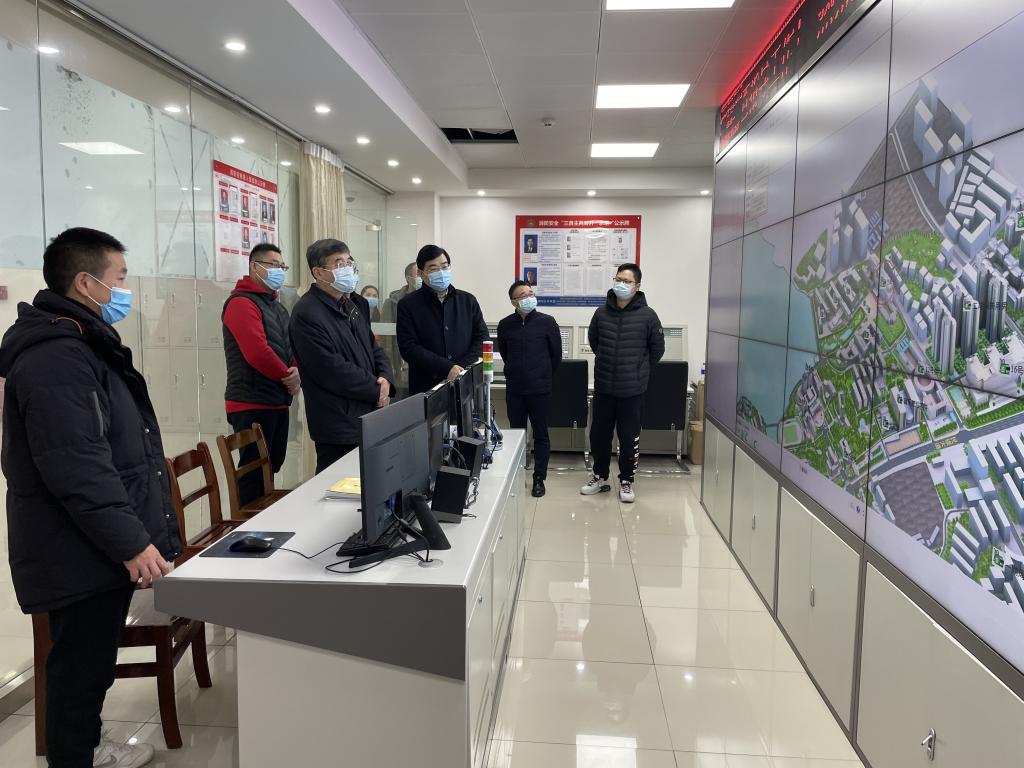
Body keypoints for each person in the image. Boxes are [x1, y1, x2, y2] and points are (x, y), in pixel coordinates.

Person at [0, 227, 181, 768]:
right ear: (85, 282)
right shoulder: (57, 358)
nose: (126, 289)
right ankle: (74, 757)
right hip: (75, 546)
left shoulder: (82, 343)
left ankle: (88, 748)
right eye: (119, 278)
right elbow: (76, 466)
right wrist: (132, 543)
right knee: (79, 671)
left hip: (91, 540)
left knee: (91, 665)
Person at [289, 239, 394, 474]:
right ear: (318, 272)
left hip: (366, 414)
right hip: (337, 423)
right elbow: (331, 369)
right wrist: (376, 389)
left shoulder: (350, 305)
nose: (347, 269)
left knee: (368, 482)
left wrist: (385, 378)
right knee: (336, 485)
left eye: (349, 262)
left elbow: (373, 348)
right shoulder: (307, 313)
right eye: (339, 264)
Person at [221, 243, 299, 506]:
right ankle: (247, 524)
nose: (280, 271)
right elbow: (257, 352)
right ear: (255, 267)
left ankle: (265, 519)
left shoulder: (276, 306)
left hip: (276, 400)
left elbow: (289, 346)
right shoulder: (241, 303)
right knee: (253, 471)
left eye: (282, 266)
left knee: (271, 466)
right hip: (251, 401)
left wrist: (296, 371)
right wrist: (287, 377)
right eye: (274, 265)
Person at [580, 263, 664, 503]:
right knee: (599, 436)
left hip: (632, 390)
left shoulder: (648, 316)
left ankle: (627, 480)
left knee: (629, 438)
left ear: (637, 286)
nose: (621, 284)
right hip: (604, 387)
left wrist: (638, 370)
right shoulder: (601, 313)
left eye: (627, 281)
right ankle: (599, 476)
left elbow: (657, 350)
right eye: (618, 279)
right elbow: (594, 342)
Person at [497, 281, 561, 498]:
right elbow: (505, 354)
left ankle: (539, 478)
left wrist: (542, 374)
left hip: (540, 389)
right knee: (516, 434)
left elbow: (556, 356)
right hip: (515, 389)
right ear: (513, 301)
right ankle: (517, 475)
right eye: (523, 295)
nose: (529, 298)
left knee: (541, 434)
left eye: (531, 293)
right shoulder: (505, 325)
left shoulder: (547, 322)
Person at [396, 244, 489, 395]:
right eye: (433, 269)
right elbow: (408, 347)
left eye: (445, 267)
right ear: (421, 273)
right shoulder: (408, 305)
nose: (441, 272)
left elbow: (482, 338)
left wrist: (460, 368)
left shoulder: (467, 301)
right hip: (426, 387)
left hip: (465, 385)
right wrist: (446, 368)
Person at [380, 262, 421, 398]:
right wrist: (389, 364)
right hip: (399, 364)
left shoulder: (429, 301)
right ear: (408, 278)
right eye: (418, 274)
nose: (421, 277)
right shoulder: (392, 303)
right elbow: (386, 339)